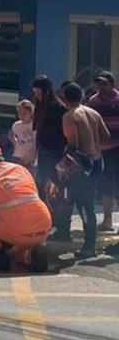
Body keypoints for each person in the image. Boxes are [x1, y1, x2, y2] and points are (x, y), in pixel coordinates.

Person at [58, 82, 110, 257]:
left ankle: (89, 245)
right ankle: (90, 243)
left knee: (84, 205)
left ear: (65, 98)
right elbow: (106, 136)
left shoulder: (69, 116)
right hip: (97, 162)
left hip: (82, 164)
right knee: (87, 203)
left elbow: (74, 144)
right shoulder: (94, 113)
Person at [31, 75, 68, 230]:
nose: (36, 96)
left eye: (39, 93)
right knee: (40, 185)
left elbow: (64, 133)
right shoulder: (41, 105)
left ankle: (58, 222)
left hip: (56, 153)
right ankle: (44, 217)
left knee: (56, 188)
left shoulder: (58, 108)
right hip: (43, 152)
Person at [88, 71, 119, 231]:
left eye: (104, 84)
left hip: (117, 148)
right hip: (101, 149)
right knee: (106, 185)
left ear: (111, 84)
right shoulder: (94, 101)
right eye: (99, 83)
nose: (101, 87)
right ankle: (107, 221)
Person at [8, 99, 37, 170]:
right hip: (18, 155)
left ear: (31, 113)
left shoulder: (35, 125)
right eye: (19, 113)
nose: (21, 116)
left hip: (30, 156)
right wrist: (15, 142)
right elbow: (11, 134)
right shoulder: (17, 125)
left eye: (24, 113)